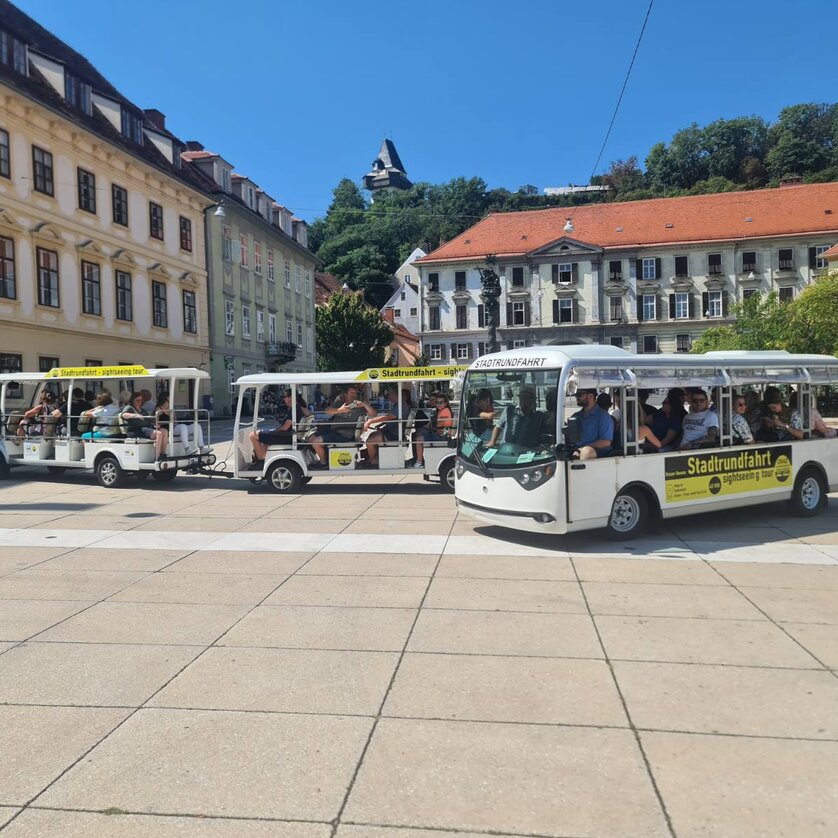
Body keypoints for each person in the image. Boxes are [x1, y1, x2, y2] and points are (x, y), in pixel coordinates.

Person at [308, 385, 376, 468]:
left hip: (344, 434)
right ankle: (325, 456)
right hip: (333, 430)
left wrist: (365, 405)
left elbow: (374, 414)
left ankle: (323, 463)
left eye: (355, 393)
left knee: (315, 442)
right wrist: (340, 410)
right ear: (346, 394)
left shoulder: (360, 407)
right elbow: (327, 411)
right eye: (351, 393)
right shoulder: (340, 404)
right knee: (310, 438)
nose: (354, 395)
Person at [249, 390, 311, 464]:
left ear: (290, 397)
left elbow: (285, 427)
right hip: (290, 435)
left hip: (287, 436)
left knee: (253, 435)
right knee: (264, 438)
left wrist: (273, 431)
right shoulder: (298, 407)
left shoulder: (294, 408)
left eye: (284, 397)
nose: (284, 399)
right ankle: (263, 457)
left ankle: (260, 461)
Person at [362, 388, 413, 468]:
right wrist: (381, 425)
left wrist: (370, 421)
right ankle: (374, 458)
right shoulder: (398, 405)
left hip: (394, 434)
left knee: (370, 441)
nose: (388, 396)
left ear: (395, 395)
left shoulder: (401, 405)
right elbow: (391, 418)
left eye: (389, 394)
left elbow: (389, 416)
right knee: (372, 435)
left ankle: (373, 461)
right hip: (392, 432)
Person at [570, 388, 613, 460]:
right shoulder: (575, 416)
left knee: (586, 452)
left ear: (590, 396)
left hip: (599, 452)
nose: (577, 397)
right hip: (577, 450)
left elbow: (606, 442)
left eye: (579, 395)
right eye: (576, 395)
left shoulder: (603, 416)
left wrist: (583, 448)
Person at [414, 392, 455, 468]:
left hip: (441, 436)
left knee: (418, 440)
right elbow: (433, 423)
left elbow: (437, 424)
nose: (438, 404)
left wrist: (431, 424)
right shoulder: (440, 411)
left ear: (446, 403)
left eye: (441, 402)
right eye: (437, 402)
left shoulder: (445, 411)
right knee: (417, 434)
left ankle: (419, 462)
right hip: (438, 434)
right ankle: (418, 460)